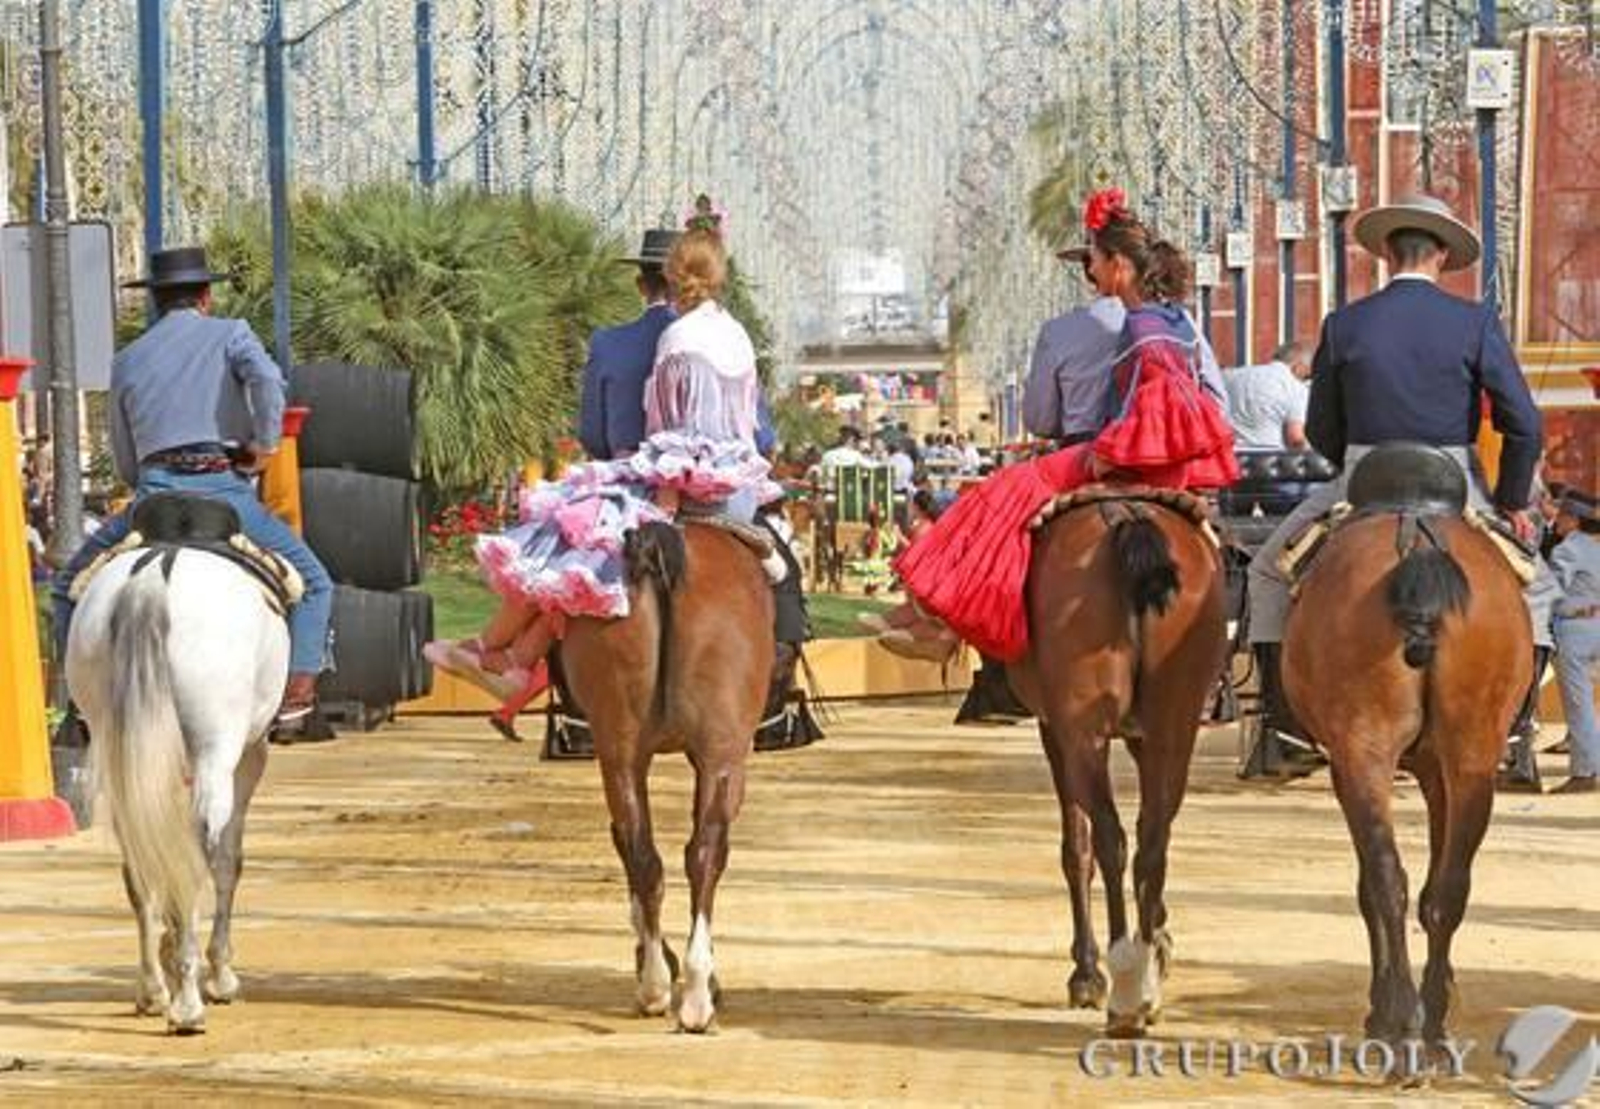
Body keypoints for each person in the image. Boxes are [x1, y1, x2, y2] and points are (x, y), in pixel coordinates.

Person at [425, 202, 781, 720]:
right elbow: (760, 430)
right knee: (780, 574)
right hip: (736, 496)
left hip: (662, 480)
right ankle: (781, 672)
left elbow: (596, 432)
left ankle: (507, 657)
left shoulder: (620, 342)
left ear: (644, 282)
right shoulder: (732, 335)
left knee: (562, 551)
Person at [1243, 193, 1558, 778]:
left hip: (1364, 474)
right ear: (1441, 255)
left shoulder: (1345, 324)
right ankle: (1516, 730)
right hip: (1454, 479)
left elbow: (1320, 427)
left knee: (1267, 571)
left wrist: (1351, 466)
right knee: (1539, 587)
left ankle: (1280, 726)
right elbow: (1524, 422)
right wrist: (1511, 500)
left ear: (1387, 254)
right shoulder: (1475, 322)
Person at [877, 189, 1240, 663]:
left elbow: (1060, 417)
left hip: (1123, 458)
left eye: (1094, 259)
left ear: (1118, 266)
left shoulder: (1132, 327)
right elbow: (1212, 400)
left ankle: (947, 625)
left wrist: (1114, 447)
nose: (1091, 269)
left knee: (1001, 495)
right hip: (1174, 467)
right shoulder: (1180, 320)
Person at [50, 246, 333, 724]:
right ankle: (299, 685)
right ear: (206, 296)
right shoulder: (231, 334)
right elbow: (267, 379)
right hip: (223, 489)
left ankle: (77, 703)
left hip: (154, 492)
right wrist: (264, 446)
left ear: (158, 301)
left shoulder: (128, 359)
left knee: (63, 588)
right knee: (317, 583)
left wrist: (145, 480)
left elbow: (124, 451)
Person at [576, 228, 681, 461]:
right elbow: (760, 434)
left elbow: (591, 435)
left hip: (628, 477)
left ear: (641, 285)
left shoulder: (606, 343)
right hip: (695, 482)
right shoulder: (712, 341)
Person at [1549, 490, 1600, 794]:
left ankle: (1584, 771)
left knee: (1579, 704)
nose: (1556, 521)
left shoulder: (1566, 550)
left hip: (1574, 629)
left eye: (1561, 516)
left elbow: (1552, 592)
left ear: (1572, 520)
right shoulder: (1595, 549)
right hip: (1596, 624)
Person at [1224, 341, 1313, 450]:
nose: (1306, 381)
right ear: (1298, 367)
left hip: (1227, 456)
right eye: (1307, 376)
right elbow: (1295, 439)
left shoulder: (1231, 376)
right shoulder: (1295, 387)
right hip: (1267, 458)